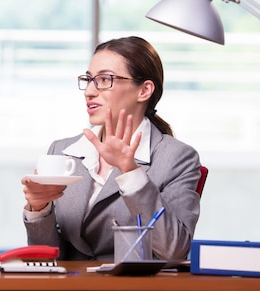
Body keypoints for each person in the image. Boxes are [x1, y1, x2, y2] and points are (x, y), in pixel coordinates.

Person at [22, 36, 201, 261]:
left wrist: (131, 172)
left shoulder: (176, 158)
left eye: (104, 79)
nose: (89, 91)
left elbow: (174, 250)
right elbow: (46, 260)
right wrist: (39, 210)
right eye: (88, 79)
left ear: (144, 90)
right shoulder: (63, 151)